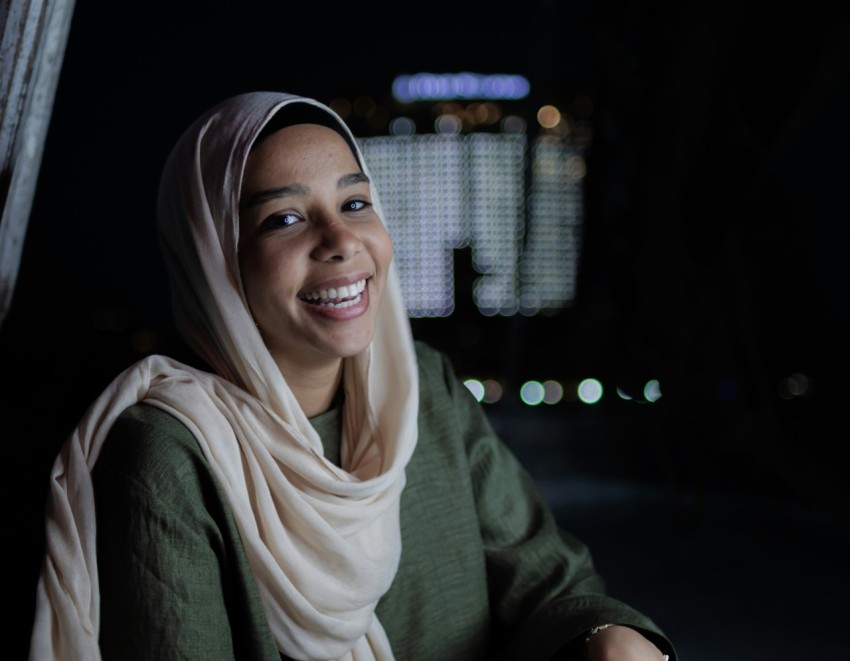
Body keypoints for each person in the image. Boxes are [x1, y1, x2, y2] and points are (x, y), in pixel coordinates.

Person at [28, 91, 676, 661]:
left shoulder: (422, 390)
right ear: (213, 259)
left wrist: (606, 635)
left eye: (356, 201)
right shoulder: (171, 456)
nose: (340, 240)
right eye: (284, 218)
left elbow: (546, 579)